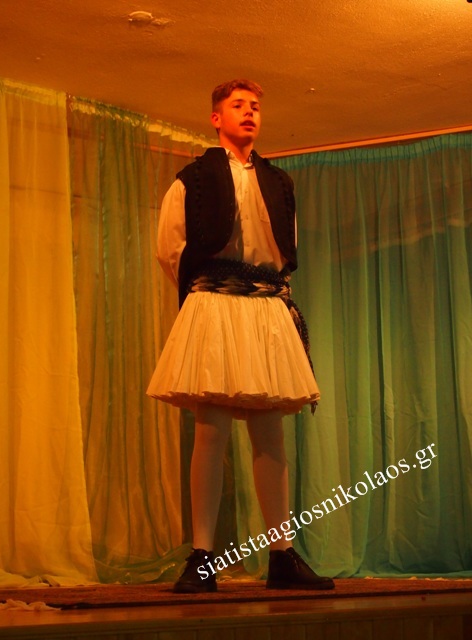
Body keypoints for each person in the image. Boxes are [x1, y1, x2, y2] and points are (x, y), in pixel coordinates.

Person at [147, 79, 334, 593]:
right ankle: (202, 557)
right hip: (216, 301)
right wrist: (211, 289)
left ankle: (282, 554)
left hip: (266, 307)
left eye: (255, 106)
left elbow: (285, 248)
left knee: (270, 433)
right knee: (211, 430)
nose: (249, 112)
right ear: (216, 118)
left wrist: (265, 292)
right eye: (238, 105)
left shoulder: (279, 181)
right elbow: (169, 248)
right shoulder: (193, 179)